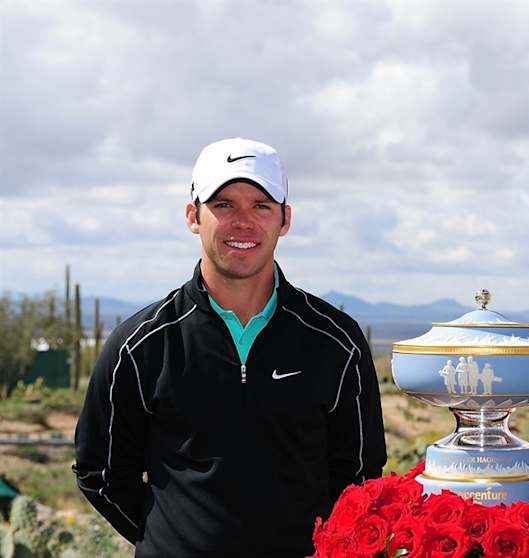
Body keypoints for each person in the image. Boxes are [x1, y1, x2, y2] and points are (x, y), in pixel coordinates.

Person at [73, 137, 387, 557]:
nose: (243, 222)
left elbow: (361, 478)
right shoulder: (139, 346)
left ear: (285, 219)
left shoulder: (337, 343)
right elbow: (100, 473)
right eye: (223, 205)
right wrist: (168, 541)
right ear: (193, 216)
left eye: (261, 206)